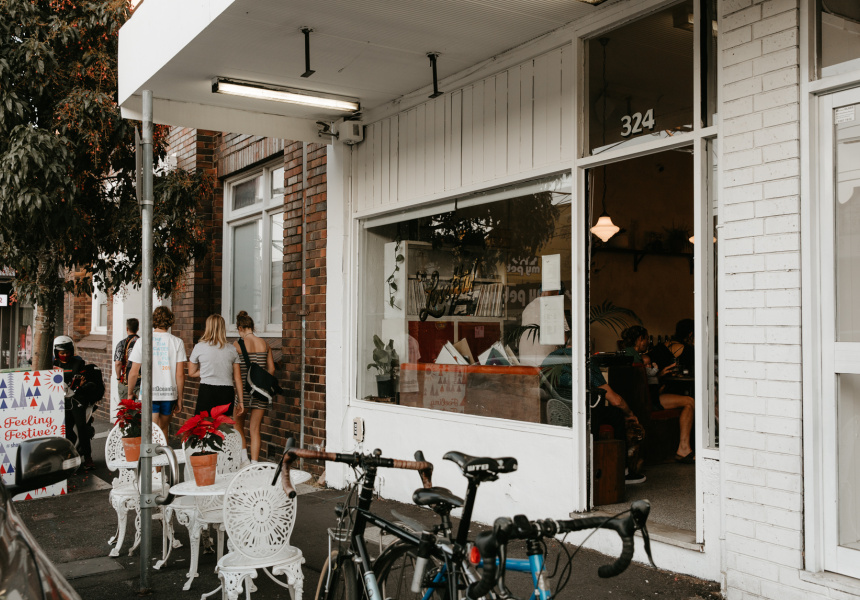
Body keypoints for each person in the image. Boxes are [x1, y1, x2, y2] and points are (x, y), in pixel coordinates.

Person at [126, 306, 187, 438]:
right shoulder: (177, 342)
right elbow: (180, 374)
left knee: (151, 432)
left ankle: (150, 452)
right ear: (170, 321)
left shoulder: (142, 341)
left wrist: (130, 392)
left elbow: (133, 372)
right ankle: (163, 451)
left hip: (149, 393)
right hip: (169, 393)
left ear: (153, 320)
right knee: (163, 431)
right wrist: (180, 397)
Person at [644, 319, 696, 463]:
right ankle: (685, 448)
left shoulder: (662, 346)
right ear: (691, 334)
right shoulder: (686, 349)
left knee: (689, 403)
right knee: (690, 401)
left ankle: (684, 448)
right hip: (654, 396)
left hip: (652, 392)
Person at [233, 310, 275, 464]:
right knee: (255, 429)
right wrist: (261, 381)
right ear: (252, 327)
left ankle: (244, 460)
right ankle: (254, 463)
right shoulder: (265, 344)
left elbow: (236, 373)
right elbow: (272, 369)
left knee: (238, 425)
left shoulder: (236, 345)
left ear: (240, 328)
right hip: (261, 392)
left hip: (243, 391)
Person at [187, 314, 244, 418]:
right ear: (223, 328)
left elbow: (191, 372)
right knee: (223, 426)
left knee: (204, 424)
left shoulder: (199, 347)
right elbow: (238, 378)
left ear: (208, 327)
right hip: (226, 391)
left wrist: (208, 369)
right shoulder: (232, 349)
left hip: (207, 390)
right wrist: (241, 401)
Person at [53, 336, 96, 469]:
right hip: (59, 401)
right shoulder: (51, 364)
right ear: (56, 352)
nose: (65, 355)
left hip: (76, 399)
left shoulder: (78, 363)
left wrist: (81, 383)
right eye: (62, 353)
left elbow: (84, 379)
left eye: (67, 352)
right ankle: (68, 456)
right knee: (64, 430)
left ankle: (88, 458)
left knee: (82, 428)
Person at [114, 318, 140, 402]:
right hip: (140, 382)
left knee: (126, 408)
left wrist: (118, 378)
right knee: (140, 408)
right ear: (138, 328)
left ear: (127, 328)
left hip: (126, 382)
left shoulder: (122, 343)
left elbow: (118, 363)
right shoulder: (142, 343)